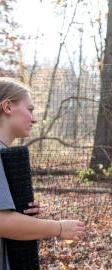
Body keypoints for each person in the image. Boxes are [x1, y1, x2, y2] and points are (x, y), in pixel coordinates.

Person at [0, 78, 85, 270]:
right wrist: (59, 228)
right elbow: (2, 222)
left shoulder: (5, 154)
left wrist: (19, 211)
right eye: (29, 110)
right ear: (7, 107)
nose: (34, 118)